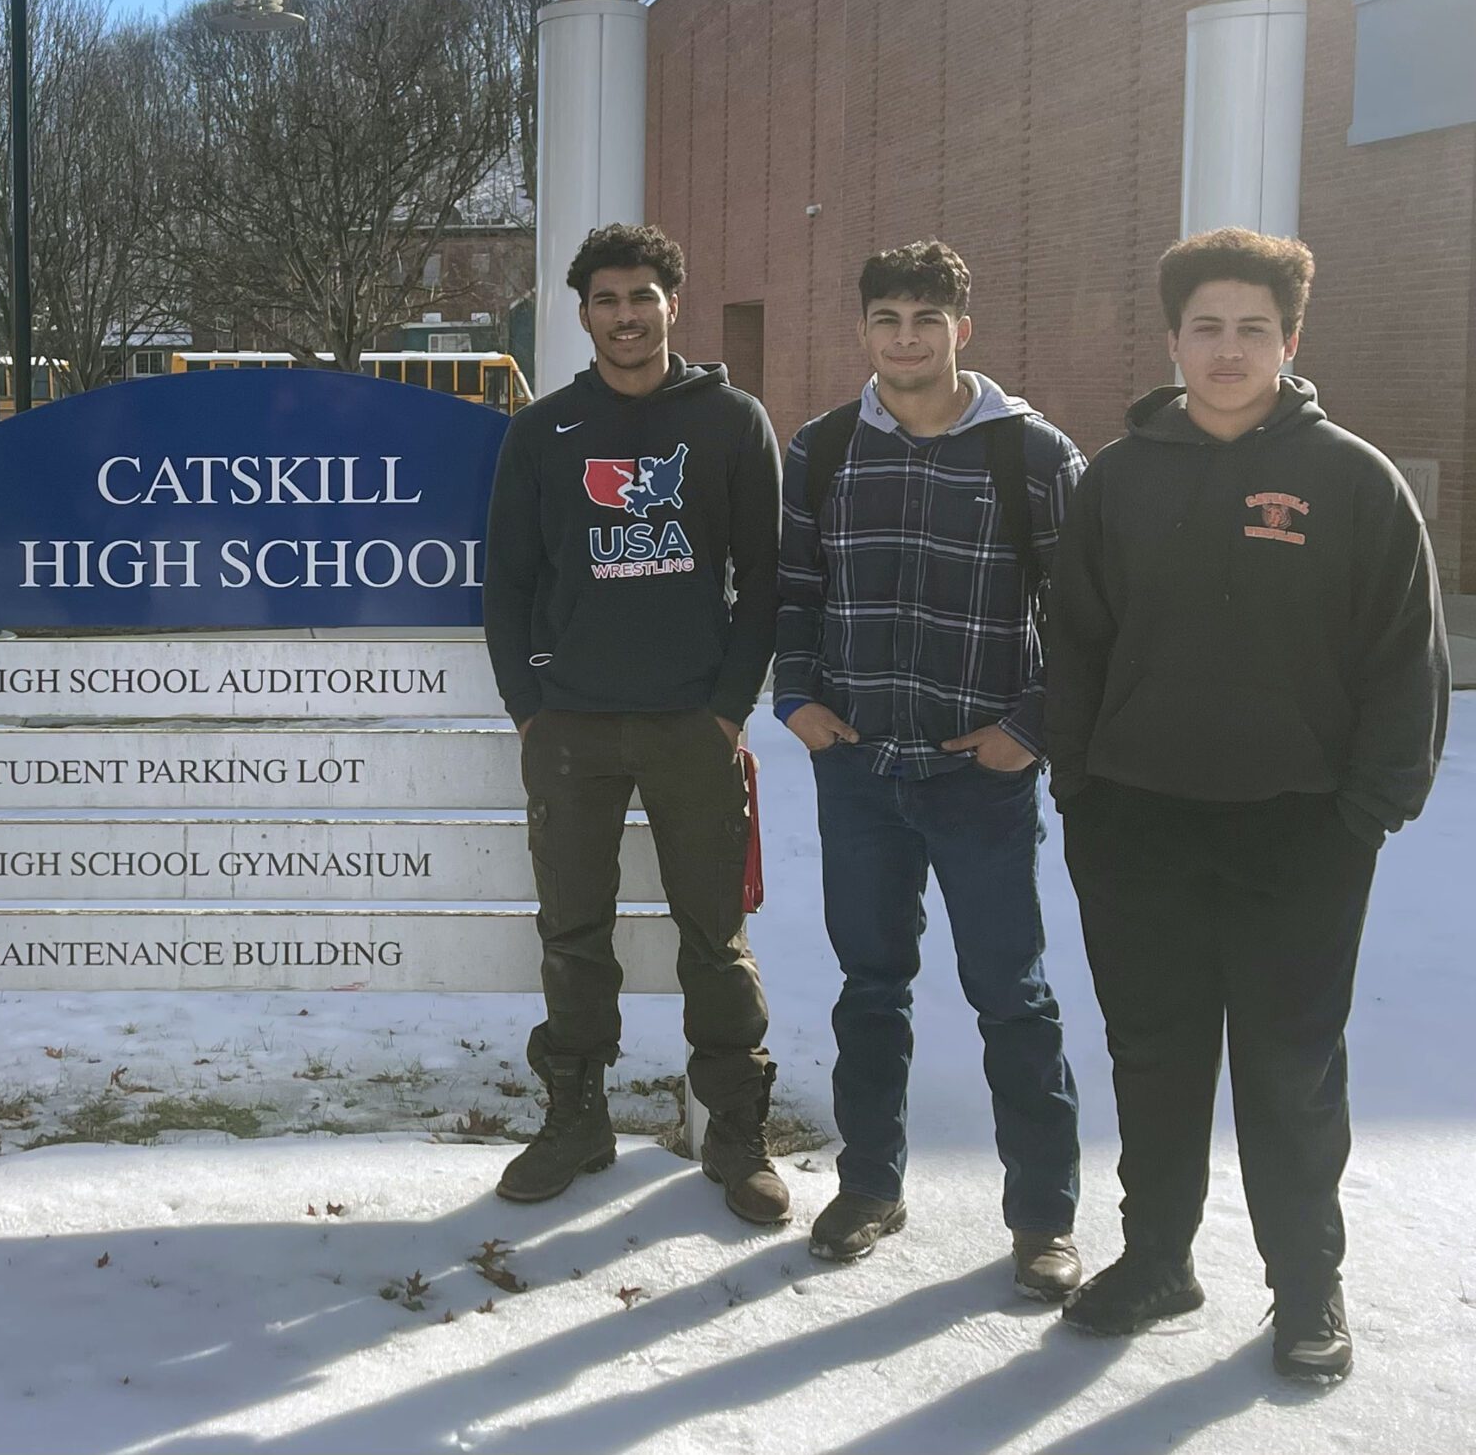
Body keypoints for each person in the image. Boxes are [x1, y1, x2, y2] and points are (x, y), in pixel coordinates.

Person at [1047, 228, 1449, 1383]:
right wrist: (1082, 789)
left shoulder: (1352, 479)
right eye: (1207, 328)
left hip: (1299, 834)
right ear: (1171, 338)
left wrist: (1364, 812)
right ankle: (1157, 1258)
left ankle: (1305, 1285)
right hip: (1137, 827)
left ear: (1289, 339)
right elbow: (1072, 645)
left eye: (1253, 329)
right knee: (1156, 1057)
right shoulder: (1116, 479)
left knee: (1288, 1067)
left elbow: (1401, 665)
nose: (1229, 350)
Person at [774, 241, 1085, 1296]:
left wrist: (1029, 726)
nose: (906, 337)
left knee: (1012, 992)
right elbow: (790, 591)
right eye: (886, 318)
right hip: (858, 767)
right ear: (861, 329)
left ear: (965, 328)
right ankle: (869, 1184)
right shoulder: (819, 450)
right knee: (870, 985)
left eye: (926, 317)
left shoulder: (1031, 454)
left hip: (979, 772)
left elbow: (1085, 615)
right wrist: (798, 698)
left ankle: (1043, 1218)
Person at [483, 223, 788, 1222]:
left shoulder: (732, 422)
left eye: (643, 296)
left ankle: (735, 1128)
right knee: (574, 934)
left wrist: (724, 709)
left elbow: (766, 582)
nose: (626, 315)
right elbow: (511, 583)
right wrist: (532, 704)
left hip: (687, 727)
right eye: (607, 299)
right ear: (582, 314)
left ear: (671, 305)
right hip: (570, 728)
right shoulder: (544, 432)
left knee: (713, 934)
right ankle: (576, 1116)